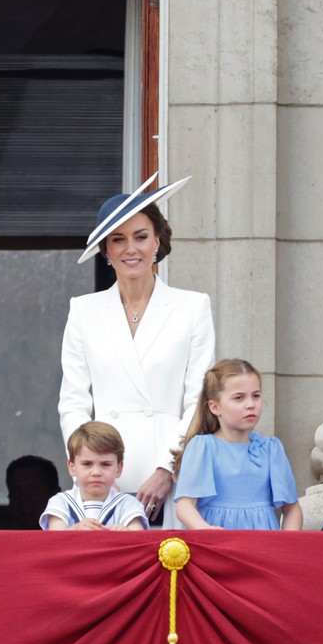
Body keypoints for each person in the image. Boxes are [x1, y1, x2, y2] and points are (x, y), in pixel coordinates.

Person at [58, 177, 215, 528]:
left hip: (168, 470)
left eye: (141, 237)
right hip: (101, 475)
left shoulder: (192, 307)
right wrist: (93, 465)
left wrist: (166, 469)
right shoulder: (83, 310)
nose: (131, 249)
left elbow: (198, 401)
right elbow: (73, 401)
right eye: (118, 239)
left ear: (157, 241)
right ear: (106, 250)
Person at [173, 358, 302, 530]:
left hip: (262, 548)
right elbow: (184, 506)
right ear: (214, 407)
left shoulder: (271, 448)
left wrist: (284, 549)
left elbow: (292, 509)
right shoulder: (203, 447)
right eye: (239, 398)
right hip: (217, 546)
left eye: (256, 396)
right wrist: (206, 530)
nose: (250, 405)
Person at [41, 422, 150, 531]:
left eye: (105, 464)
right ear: (72, 467)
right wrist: (75, 530)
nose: (96, 472)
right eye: (87, 464)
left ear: (119, 468)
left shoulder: (128, 503)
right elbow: (55, 537)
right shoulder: (61, 502)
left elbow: (138, 535)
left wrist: (126, 533)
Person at [5, 456, 61, 530]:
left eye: (34, 489)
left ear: (55, 494)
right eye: (17, 491)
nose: (24, 498)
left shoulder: (73, 537)